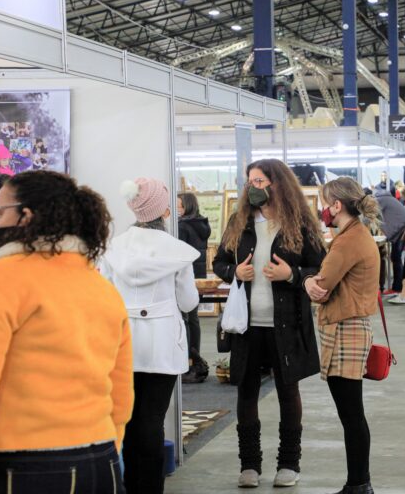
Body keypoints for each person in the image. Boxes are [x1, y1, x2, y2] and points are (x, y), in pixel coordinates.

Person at [0, 171, 133, 493]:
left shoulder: (0, 284)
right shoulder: (100, 287)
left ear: (26, 216)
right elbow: (120, 394)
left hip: (20, 467)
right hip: (101, 460)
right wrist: (107, 447)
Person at [213, 159, 325, 489]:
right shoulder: (240, 221)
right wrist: (235, 273)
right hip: (247, 326)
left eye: (259, 180)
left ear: (278, 184)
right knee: (245, 393)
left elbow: (320, 268)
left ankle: (289, 463)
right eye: (250, 181)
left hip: (287, 324)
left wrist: (291, 275)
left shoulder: (300, 223)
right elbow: (219, 261)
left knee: (288, 391)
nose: (253, 187)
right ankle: (249, 465)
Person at [101, 178, 199, 494]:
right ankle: (152, 488)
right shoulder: (177, 252)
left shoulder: (114, 248)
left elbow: (104, 295)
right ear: (164, 211)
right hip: (163, 345)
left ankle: (130, 486)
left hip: (123, 344)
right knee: (153, 420)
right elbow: (188, 302)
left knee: (128, 420)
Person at [304, 176, 381, 494]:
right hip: (352, 326)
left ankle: (359, 484)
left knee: (351, 413)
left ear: (337, 205)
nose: (323, 208)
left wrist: (308, 282)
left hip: (346, 330)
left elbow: (321, 288)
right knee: (352, 413)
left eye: (325, 202)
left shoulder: (348, 241)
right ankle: (358, 482)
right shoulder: (358, 234)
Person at [177, 191, 212, 384]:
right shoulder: (201, 224)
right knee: (193, 318)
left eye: (179, 205)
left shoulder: (182, 226)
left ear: (187, 207)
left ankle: (188, 362)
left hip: (185, 275)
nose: (176, 209)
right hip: (198, 275)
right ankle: (196, 359)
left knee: (184, 319)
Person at [373, 184, 405, 294]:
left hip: (401, 229)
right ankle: (398, 287)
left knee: (396, 258)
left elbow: (370, 215)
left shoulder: (380, 200)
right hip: (403, 227)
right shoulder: (388, 198)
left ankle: (397, 288)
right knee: (396, 258)